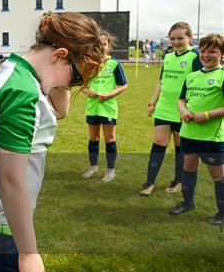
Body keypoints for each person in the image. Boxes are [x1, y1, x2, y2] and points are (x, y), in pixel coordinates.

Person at [0, 12, 105, 272]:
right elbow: (11, 178)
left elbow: (60, 111)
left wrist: (63, 78)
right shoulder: (23, 92)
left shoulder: (18, 66)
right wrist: (28, 251)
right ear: (59, 54)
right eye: (75, 78)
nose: (71, 86)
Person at [140, 22, 202, 197]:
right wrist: (152, 102)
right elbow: (161, 81)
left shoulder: (195, 55)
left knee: (179, 146)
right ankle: (149, 182)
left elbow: (198, 82)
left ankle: (179, 181)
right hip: (164, 108)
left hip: (183, 110)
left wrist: (190, 108)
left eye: (180, 38)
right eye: (172, 38)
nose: (176, 42)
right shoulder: (168, 56)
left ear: (190, 37)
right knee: (159, 143)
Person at [169, 33, 224, 225]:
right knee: (188, 167)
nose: (206, 55)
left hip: (212, 137)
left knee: (217, 174)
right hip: (189, 132)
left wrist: (207, 115)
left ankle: (222, 213)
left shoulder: (222, 76)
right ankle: (187, 203)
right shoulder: (192, 76)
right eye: (203, 50)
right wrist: (183, 110)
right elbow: (181, 99)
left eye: (212, 51)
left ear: (222, 54)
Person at [81, 31, 128, 182]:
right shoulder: (89, 63)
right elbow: (82, 85)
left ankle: (110, 171)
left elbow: (123, 85)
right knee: (93, 138)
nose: (101, 47)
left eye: (104, 44)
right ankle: (93, 167)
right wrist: (88, 91)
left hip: (108, 107)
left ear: (109, 46)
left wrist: (109, 95)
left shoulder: (114, 64)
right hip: (92, 107)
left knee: (110, 138)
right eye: (98, 44)